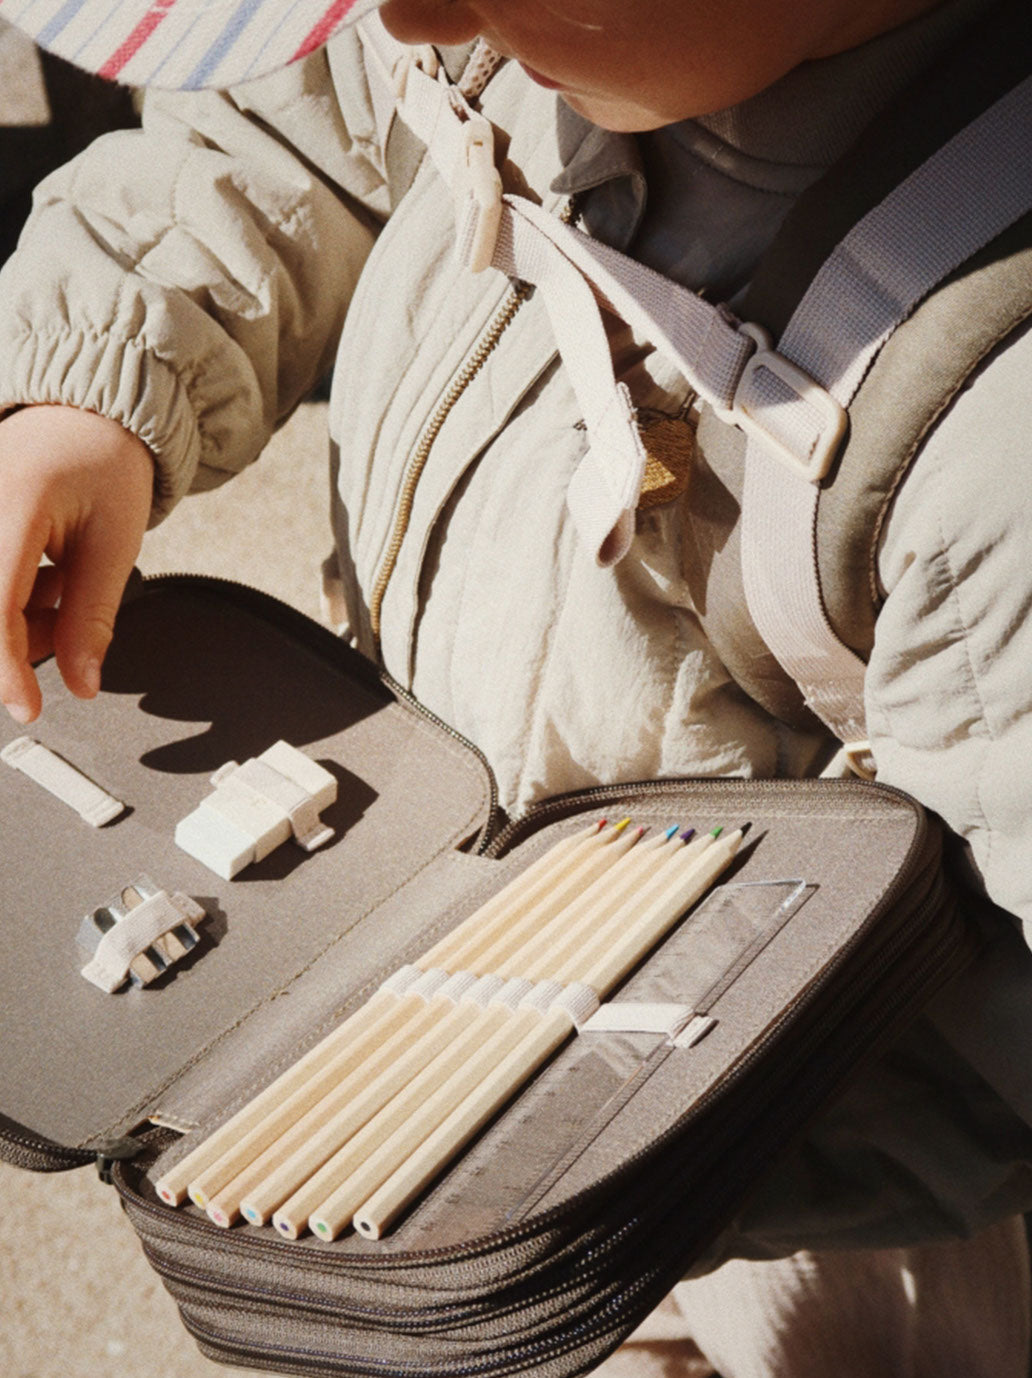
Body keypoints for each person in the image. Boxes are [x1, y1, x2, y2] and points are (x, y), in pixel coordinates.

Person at [0, 0, 1030, 1372]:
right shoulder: (499, 24)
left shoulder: (995, 451)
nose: (409, 10)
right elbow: (293, 121)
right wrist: (105, 372)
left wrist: (574, 1182)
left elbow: (991, 1054)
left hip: (803, 1183)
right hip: (489, 1009)